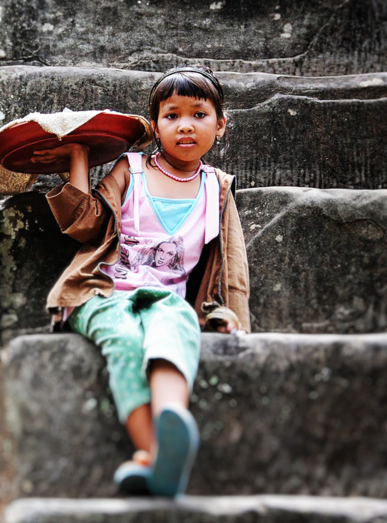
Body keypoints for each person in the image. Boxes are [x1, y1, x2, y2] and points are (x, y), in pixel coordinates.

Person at [30, 66, 250, 497]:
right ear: (155, 127)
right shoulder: (130, 169)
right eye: (171, 115)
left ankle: (172, 424)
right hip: (101, 291)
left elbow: (231, 263)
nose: (185, 125)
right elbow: (85, 226)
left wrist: (229, 314)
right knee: (125, 340)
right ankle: (152, 450)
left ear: (220, 125)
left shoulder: (216, 189)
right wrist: (77, 159)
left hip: (166, 298)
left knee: (175, 326)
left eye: (199, 114)